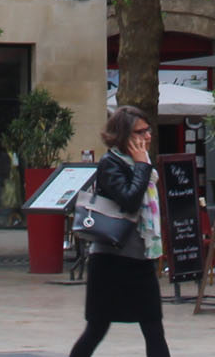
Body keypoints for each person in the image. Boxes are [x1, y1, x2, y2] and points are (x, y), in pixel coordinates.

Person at [69, 104, 169, 357]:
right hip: (110, 259)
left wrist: (142, 166)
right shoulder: (110, 164)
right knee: (97, 327)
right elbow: (130, 200)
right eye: (140, 132)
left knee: (153, 326)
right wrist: (141, 167)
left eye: (148, 130)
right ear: (123, 135)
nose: (147, 136)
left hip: (139, 257)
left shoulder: (142, 163)